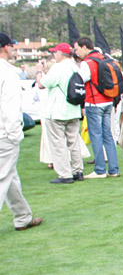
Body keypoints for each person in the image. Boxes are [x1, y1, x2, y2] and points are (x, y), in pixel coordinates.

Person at [0, 32, 42, 231]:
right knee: (2, 178)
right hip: (4, 134)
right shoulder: (7, 73)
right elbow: (10, 106)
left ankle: (22, 216)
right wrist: (14, 134)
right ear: (6, 47)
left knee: (9, 175)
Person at [73, 36, 119, 179]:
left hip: (94, 102)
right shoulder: (104, 58)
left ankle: (99, 169)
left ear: (84, 47)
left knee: (96, 136)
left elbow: (81, 79)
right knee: (108, 135)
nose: (76, 52)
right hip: (108, 101)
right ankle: (113, 169)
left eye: (77, 49)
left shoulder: (87, 63)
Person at [39, 42, 84, 183]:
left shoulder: (58, 68)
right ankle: (78, 170)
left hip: (57, 111)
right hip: (73, 109)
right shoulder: (75, 67)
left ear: (60, 54)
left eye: (55, 52)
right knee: (74, 141)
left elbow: (42, 84)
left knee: (58, 144)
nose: (54, 55)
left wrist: (39, 72)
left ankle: (65, 174)